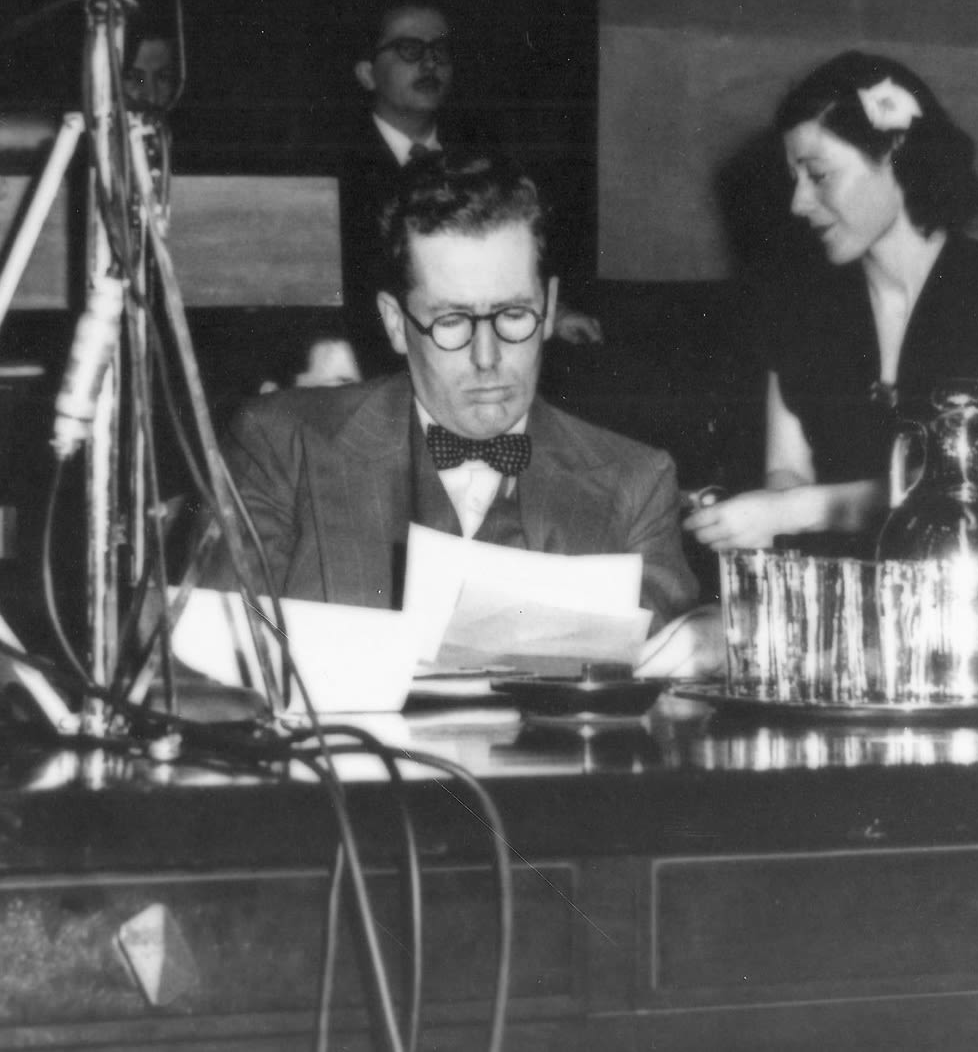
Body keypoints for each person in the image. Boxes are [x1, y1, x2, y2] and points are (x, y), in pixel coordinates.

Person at [205, 151, 708, 676]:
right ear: (396, 323)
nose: (487, 358)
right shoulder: (281, 447)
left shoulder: (636, 481)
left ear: (551, 306)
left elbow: (664, 686)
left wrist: (715, 636)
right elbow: (213, 675)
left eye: (514, 315)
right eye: (451, 321)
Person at [694, 52, 978, 558]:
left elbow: (963, 499)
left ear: (896, 154)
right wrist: (749, 513)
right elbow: (786, 474)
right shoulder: (798, 309)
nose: (797, 202)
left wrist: (791, 511)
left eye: (817, 175)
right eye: (793, 179)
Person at [296, 0, 586, 387]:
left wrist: (556, 310)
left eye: (439, 52)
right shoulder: (324, 165)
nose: (429, 64)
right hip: (368, 361)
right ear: (367, 73)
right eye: (410, 50)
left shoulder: (483, 153)